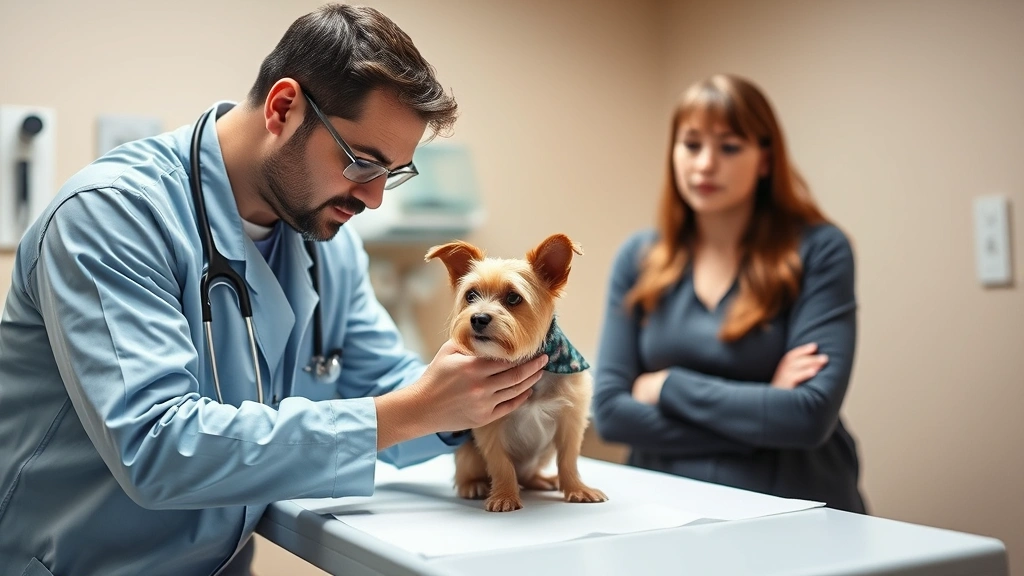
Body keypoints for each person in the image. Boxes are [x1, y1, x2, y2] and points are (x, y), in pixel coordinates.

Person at [0, 5, 548, 575]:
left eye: (393, 174)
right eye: (363, 164)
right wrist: (411, 411)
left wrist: (485, 393)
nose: (375, 198)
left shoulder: (326, 247)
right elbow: (159, 447)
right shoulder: (113, 217)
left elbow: (397, 389)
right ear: (283, 108)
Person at [591, 74, 866, 514]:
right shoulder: (638, 257)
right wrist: (763, 410)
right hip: (665, 509)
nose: (704, 164)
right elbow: (610, 413)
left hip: (796, 506)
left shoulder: (820, 249)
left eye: (730, 146)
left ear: (765, 159)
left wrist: (666, 386)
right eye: (692, 144)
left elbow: (808, 416)